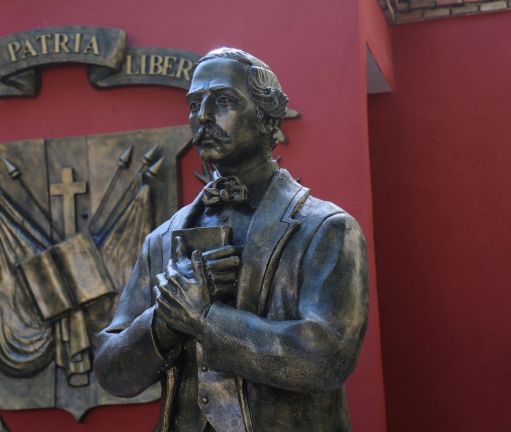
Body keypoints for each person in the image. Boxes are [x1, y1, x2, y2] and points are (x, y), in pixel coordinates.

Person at [94, 47, 368, 432]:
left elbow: (326, 359)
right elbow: (111, 371)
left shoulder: (326, 229)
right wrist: (165, 321)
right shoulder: (161, 239)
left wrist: (205, 319)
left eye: (222, 101)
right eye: (195, 103)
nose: (203, 116)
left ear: (266, 118)